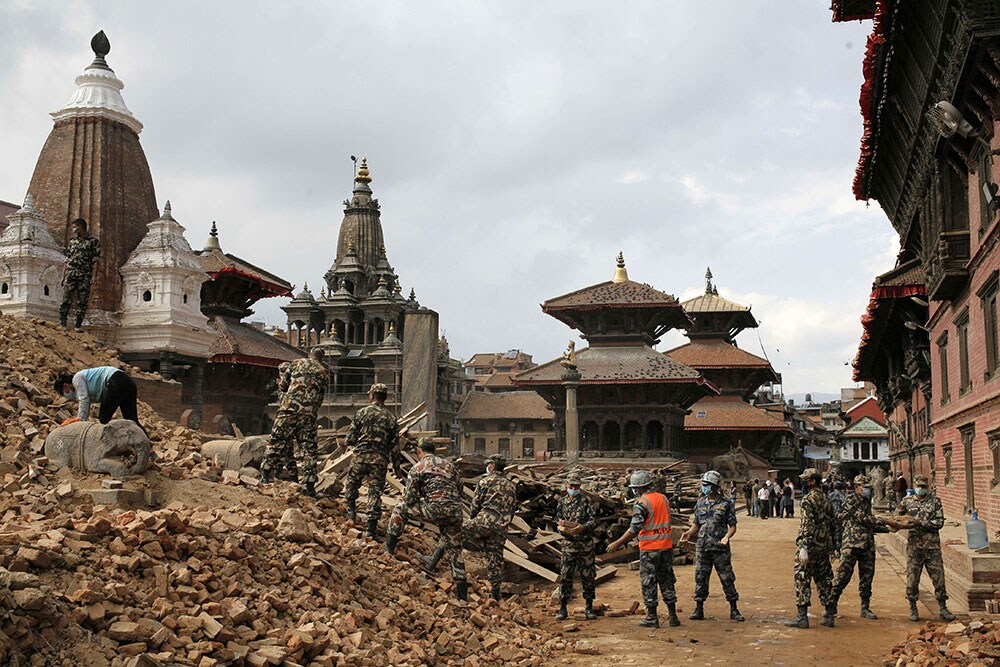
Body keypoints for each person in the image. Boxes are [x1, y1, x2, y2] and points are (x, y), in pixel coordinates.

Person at [386, 439, 467, 601]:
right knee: (456, 552)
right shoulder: (450, 466)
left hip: (434, 508)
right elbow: (460, 490)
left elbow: (409, 498)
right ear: (435, 451)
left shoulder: (418, 467)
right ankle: (463, 597)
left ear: (419, 451)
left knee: (399, 509)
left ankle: (388, 550)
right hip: (455, 512)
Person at [606, 470, 680, 628]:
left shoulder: (642, 503)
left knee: (649, 582)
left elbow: (633, 529)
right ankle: (673, 616)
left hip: (650, 549)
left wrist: (616, 544)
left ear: (639, 487)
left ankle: (652, 617)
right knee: (667, 581)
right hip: (666, 547)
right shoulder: (663, 498)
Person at [679, 470, 745, 622]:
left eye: (706, 485)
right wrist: (689, 533)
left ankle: (734, 609)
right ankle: (699, 608)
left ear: (714, 486)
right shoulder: (700, 503)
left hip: (720, 548)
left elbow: (733, 526)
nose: (704, 487)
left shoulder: (726, 504)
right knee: (701, 577)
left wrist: (727, 537)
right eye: (703, 485)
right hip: (702, 547)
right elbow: (696, 524)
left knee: (727, 578)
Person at [260, 349, 327, 496]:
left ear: (310, 355)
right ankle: (310, 488)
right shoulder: (323, 371)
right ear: (321, 359)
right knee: (309, 450)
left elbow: (283, 385)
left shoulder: (296, 363)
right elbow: (321, 396)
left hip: (288, 411)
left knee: (276, 441)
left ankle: (264, 476)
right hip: (308, 416)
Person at [343, 382, 402, 538]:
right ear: (385, 398)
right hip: (379, 460)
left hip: (360, 457)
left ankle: (351, 514)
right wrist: (397, 468)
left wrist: (351, 443)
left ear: (371, 396)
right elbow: (395, 446)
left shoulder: (361, 413)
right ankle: (370, 528)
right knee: (374, 493)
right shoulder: (391, 418)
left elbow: (349, 438)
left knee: (352, 485)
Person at [830, 475, 893, 620]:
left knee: (867, 577)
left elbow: (869, 524)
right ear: (857, 486)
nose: (866, 490)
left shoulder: (866, 501)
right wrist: (887, 521)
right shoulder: (850, 500)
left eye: (868, 487)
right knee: (842, 575)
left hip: (867, 544)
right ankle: (831, 604)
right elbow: (863, 519)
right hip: (851, 544)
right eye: (864, 487)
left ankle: (865, 607)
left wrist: (888, 529)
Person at [897, 474, 955, 621]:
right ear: (914, 486)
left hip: (932, 547)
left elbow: (939, 522)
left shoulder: (935, 502)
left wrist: (921, 523)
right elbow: (897, 516)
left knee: (938, 578)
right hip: (914, 547)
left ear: (927, 487)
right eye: (918, 486)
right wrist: (898, 523)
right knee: (912, 578)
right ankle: (913, 608)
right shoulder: (907, 501)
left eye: (923, 486)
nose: (921, 489)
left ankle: (942, 607)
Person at [460, 454, 516, 601]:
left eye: (489, 464)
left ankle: (433, 561)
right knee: (495, 561)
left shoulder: (485, 481)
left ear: (492, 466)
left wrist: (474, 522)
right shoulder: (511, 486)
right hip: (500, 528)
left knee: (454, 531)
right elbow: (512, 509)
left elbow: (475, 506)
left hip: (484, 521)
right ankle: (495, 596)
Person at [786, 468, 837, 629]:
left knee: (802, 578)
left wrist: (803, 546)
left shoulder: (808, 499)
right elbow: (832, 524)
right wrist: (833, 546)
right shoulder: (826, 499)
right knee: (825, 580)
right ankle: (829, 615)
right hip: (823, 546)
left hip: (810, 545)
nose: (804, 481)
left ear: (812, 481)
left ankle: (802, 617)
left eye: (806, 479)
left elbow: (807, 524)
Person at [54, 366, 146, 435]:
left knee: (104, 418)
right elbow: (89, 401)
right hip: (127, 381)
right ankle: (149, 449)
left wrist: (80, 422)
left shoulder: (77, 379)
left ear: (65, 386)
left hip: (115, 380)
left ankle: (112, 445)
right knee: (131, 420)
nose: (66, 395)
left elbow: (84, 400)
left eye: (63, 393)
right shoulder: (82, 383)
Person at [555, 473, 597, 621]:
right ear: (567, 485)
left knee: (588, 576)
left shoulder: (586, 501)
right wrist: (561, 527)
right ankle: (563, 608)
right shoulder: (562, 502)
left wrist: (582, 527)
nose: (573, 488)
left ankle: (589, 607)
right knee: (565, 576)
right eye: (571, 486)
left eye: (576, 486)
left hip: (585, 545)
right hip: (568, 545)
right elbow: (558, 520)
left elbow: (593, 521)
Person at [59, 218, 100, 332]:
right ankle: (62, 323)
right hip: (71, 273)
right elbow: (67, 259)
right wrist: (63, 276)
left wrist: (94, 276)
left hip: (85, 274)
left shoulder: (93, 242)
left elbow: (96, 260)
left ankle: (78, 325)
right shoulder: (72, 242)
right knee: (66, 298)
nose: (73, 229)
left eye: (75, 227)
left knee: (82, 300)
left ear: (81, 227)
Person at [829, 480, 847, 552]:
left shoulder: (830, 495)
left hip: (832, 516)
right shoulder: (844, 495)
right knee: (840, 532)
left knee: (832, 532)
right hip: (840, 517)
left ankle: (834, 547)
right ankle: (839, 548)